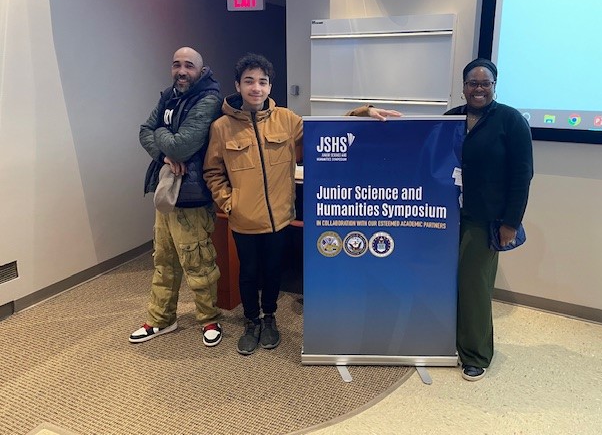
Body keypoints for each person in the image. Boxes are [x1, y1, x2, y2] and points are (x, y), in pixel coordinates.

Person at [203, 53, 400, 355]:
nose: (256, 88)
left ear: (270, 87)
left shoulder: (287, 120)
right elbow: (213, 171)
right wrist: (230, 203)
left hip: (279, 217)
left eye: (263, 82)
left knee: (272, 271)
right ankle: (251, 322)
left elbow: (329, 130)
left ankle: (270, 319)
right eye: (249, 82)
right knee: (249, 272)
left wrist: (366, 112)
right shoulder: (222, 127)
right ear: (238, 85)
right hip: (243, 218)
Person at [445, 58, 533, 381]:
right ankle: (450, 341)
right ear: (464, 87)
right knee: (446, 281)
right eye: (473, 83)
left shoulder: (511, 121)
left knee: (474, 285)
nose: (478, 89)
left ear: (494, 87)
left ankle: (477, 354)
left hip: (485, 219)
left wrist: (511, 222)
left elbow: (522, 175)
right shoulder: (451, 119)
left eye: (485, 83)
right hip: (446, 216)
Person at [130, 47, 224, 347]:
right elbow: (145, 129)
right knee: (163, 259)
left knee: (198, 262)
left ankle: (209, 319)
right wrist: (163, 153)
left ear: (201, 69)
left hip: (192, 196)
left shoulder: (208, 99)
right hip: (166, 192)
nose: (182, 71)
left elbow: (182, 146)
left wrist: (165, 141)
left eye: (189, 66)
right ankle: (161, 319)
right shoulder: (168, 95)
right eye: (176, 65)